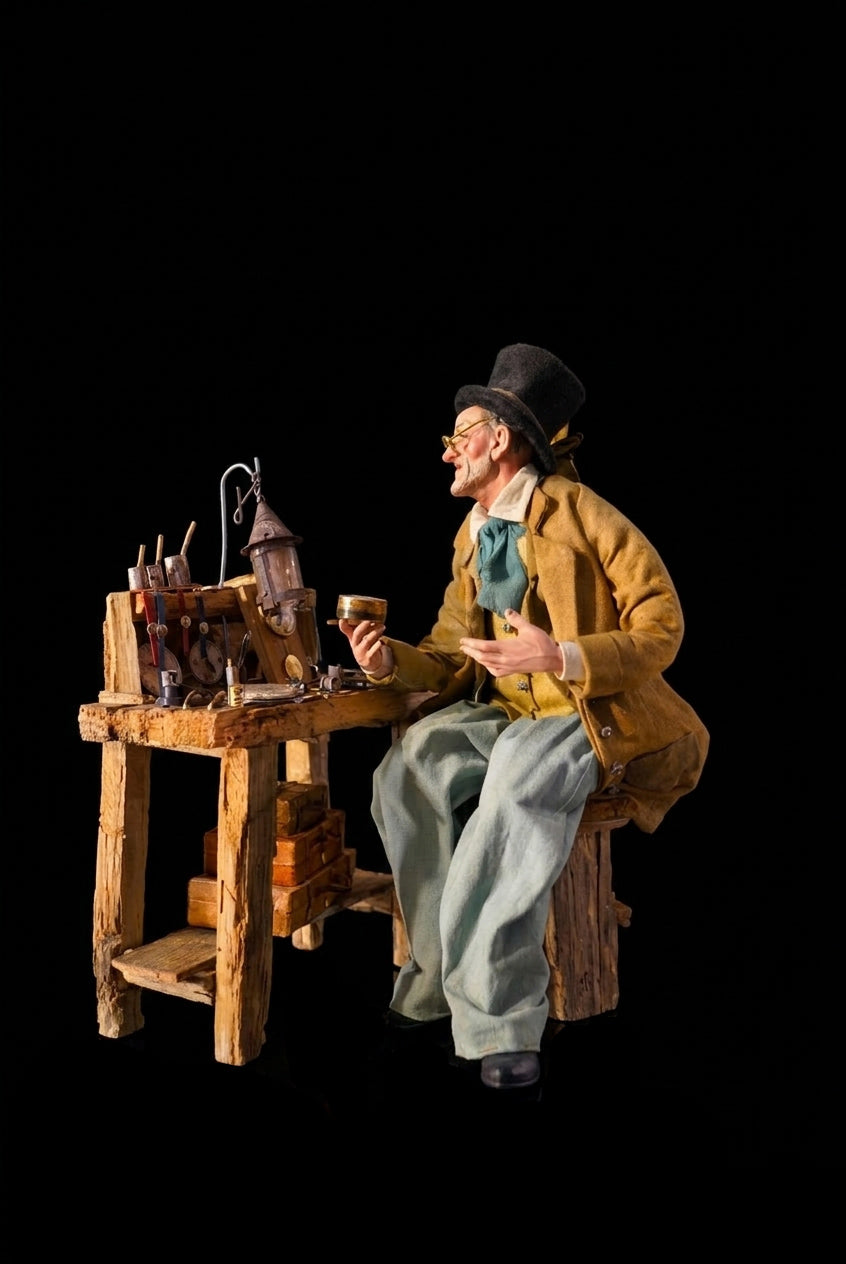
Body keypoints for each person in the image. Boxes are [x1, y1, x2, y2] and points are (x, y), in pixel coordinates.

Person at [338, 343, 709, 1090]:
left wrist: (562, 656)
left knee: (513, 788)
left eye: (459, 436)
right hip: (506, 708)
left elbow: (662, 624)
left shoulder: (583, 514)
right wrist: (386, 663)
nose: (448, 453)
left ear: (499, 439)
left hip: (588, 709)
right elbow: (452, 654)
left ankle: (498, 1019)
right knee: (406, 767)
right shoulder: (474, 533)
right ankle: (434, 971)